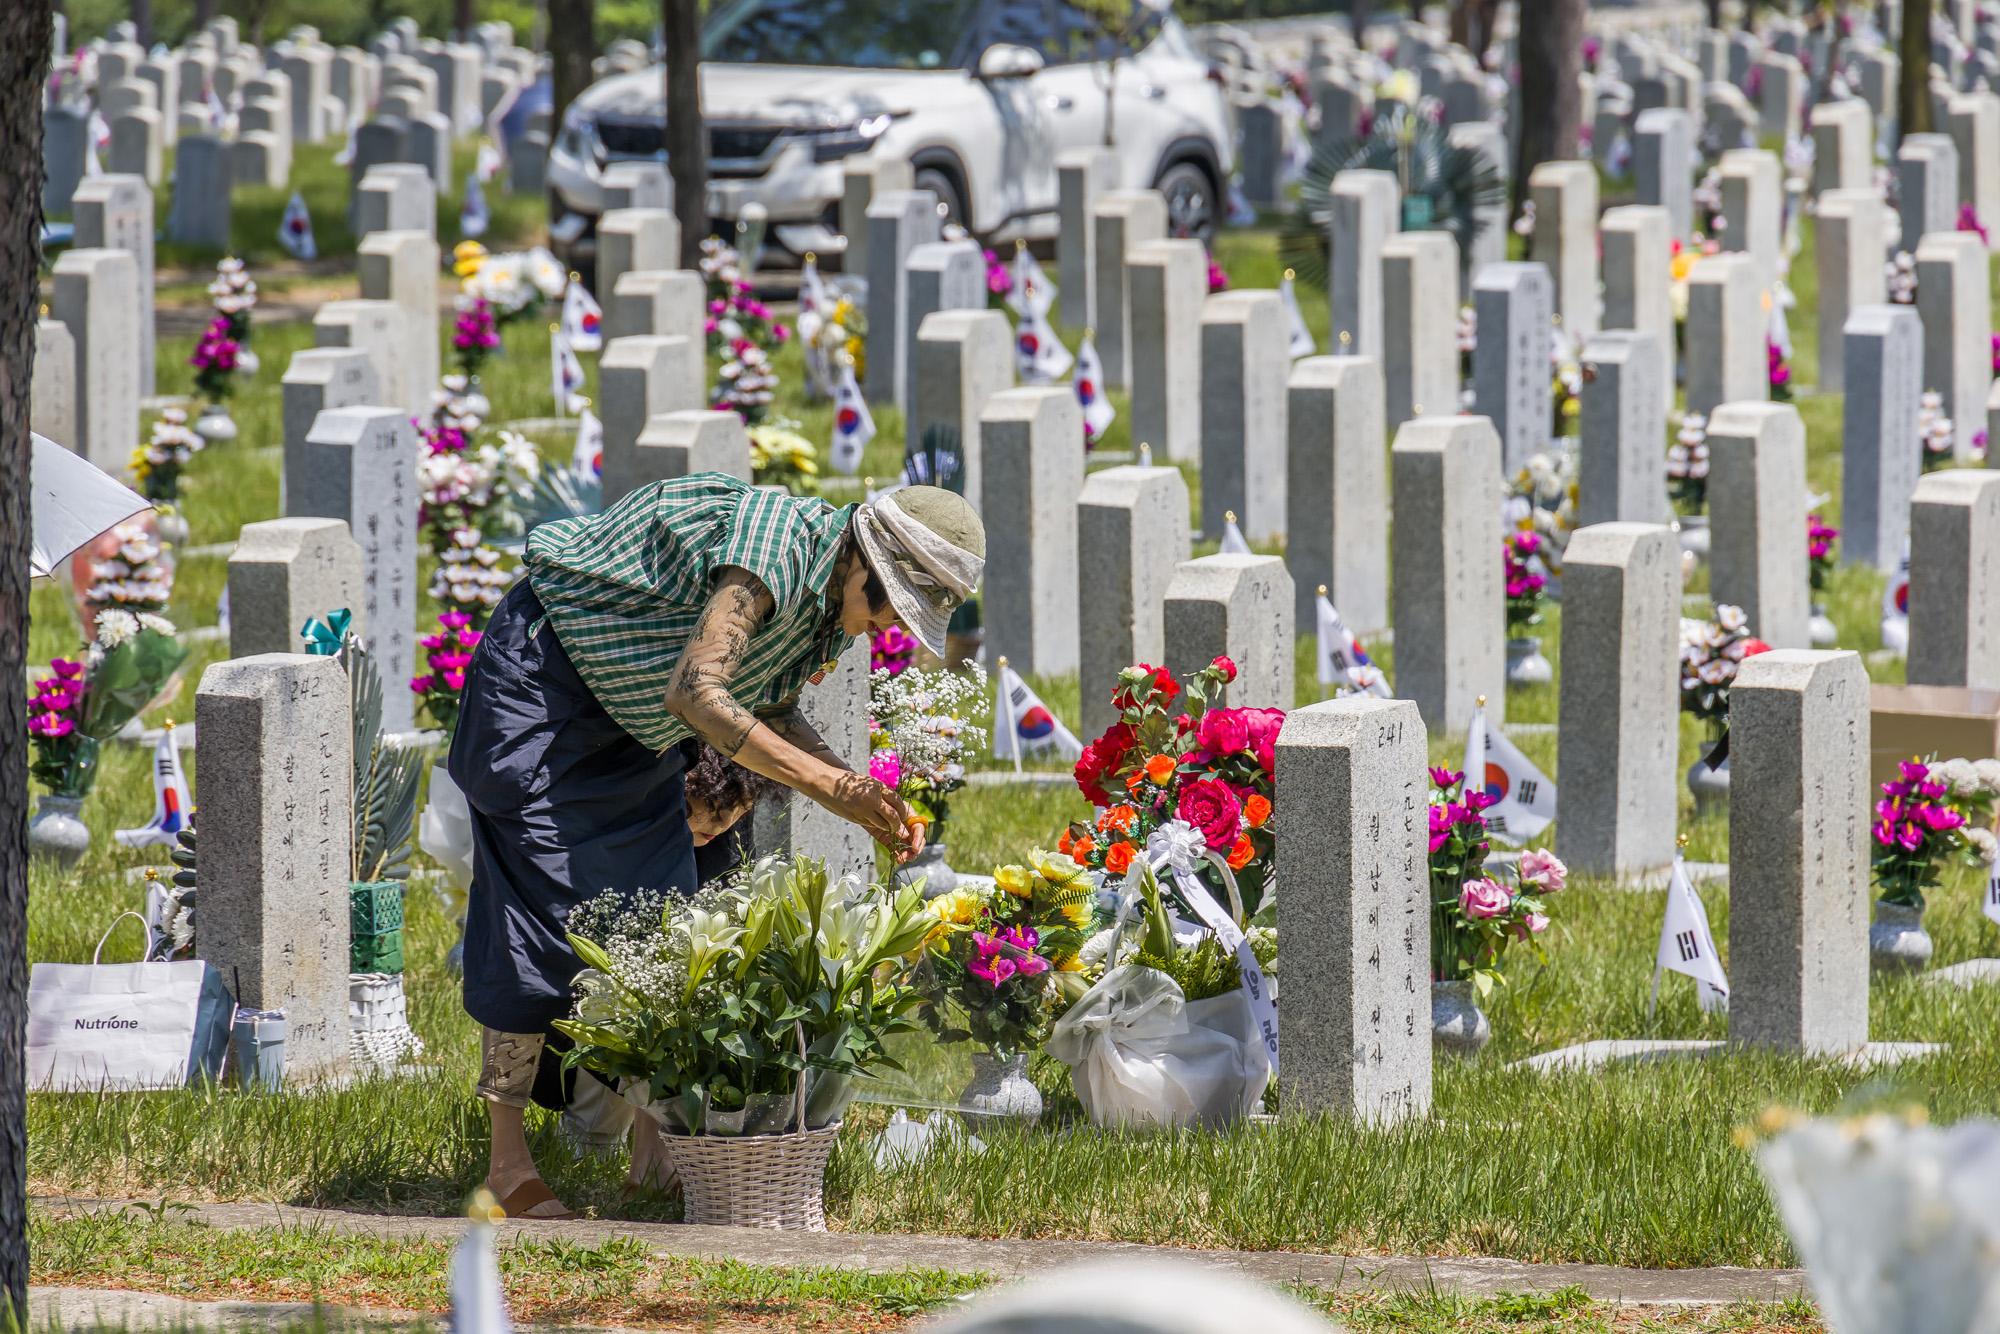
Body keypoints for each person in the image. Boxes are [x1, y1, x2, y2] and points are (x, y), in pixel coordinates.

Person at [450, 474, 985, 1219]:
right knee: (541, 921)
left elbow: (766, 701)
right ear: (864, 557)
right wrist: (829, 788)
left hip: (631, 728)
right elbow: (698, 694)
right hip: (546, 688)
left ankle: (655, 1151)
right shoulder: (772, 549)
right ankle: (506, 1167)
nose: (883, 626)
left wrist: (856, 789)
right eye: (890, 604)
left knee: (663, 926)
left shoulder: (830, 608)